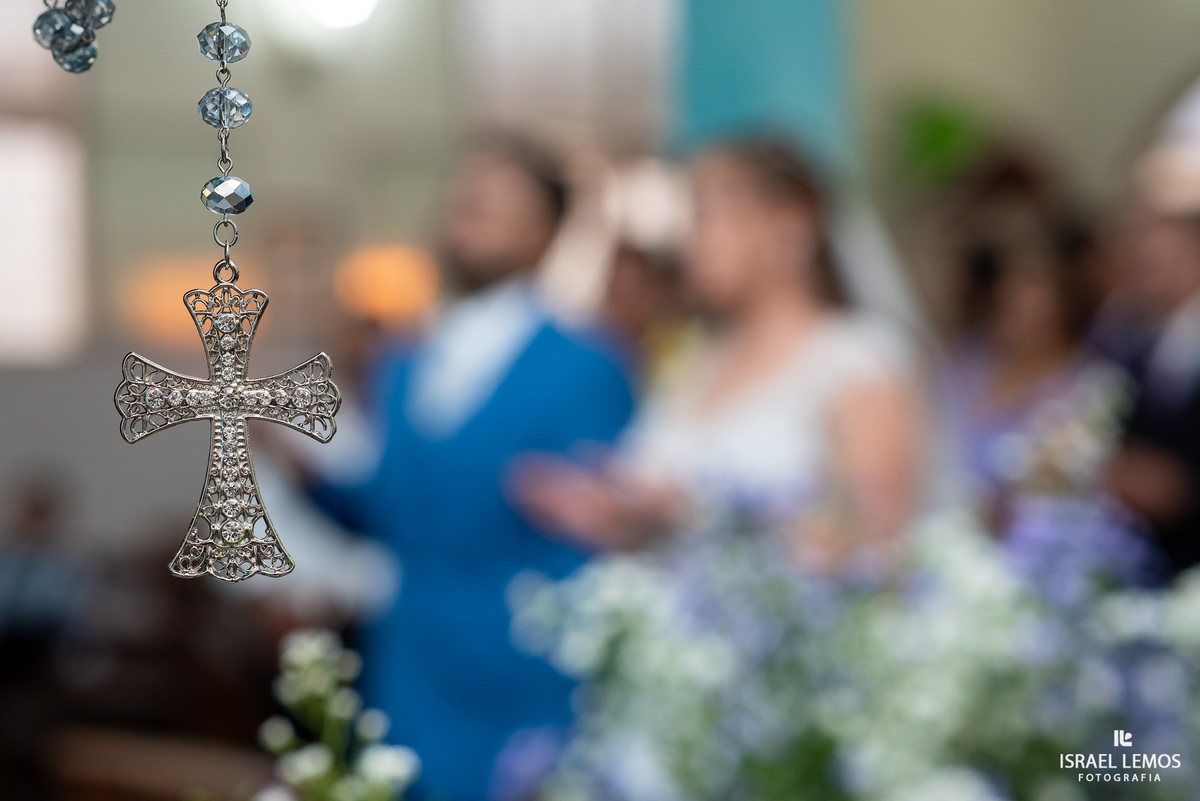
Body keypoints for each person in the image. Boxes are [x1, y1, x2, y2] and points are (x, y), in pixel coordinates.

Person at [307, 135, 635, 801]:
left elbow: (599, 540)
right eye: (464, 198)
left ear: (546, 230)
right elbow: (395, 513)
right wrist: (304, 469)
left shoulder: (588, 363)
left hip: (521, 676)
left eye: (494, 202)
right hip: (409, 665)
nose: (469, 212)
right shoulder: (401, 360)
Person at [511, 138, 921, 573]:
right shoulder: (697, 363)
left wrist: (692, 515)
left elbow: (872, 543)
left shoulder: (855, 361)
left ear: (790, 223)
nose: (691, 241)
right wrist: (614, 514)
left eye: (708, 215)